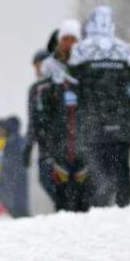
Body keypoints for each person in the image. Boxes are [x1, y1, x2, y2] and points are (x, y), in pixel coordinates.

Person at [70, 6, 130, 208]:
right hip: (119, 121)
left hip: (92, 122)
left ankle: (99, 207)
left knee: (95, 168)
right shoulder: (124, 49)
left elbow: (72, 79)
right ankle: (124, 204)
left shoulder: (81, 49)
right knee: (121, 168)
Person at [39, 57, 92, 212]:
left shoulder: (82, 87)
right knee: (61, 191)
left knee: (83, 192)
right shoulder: (47, 90)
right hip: (59, 147)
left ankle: (83, 215)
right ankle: (63, 216)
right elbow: (44, 117)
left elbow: (88, 112)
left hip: (80, 147)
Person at [0, 116, 29, 217]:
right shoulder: (21, 141)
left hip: (9, 200)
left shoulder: (6, 143)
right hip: (20, 199)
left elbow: (5, 168)